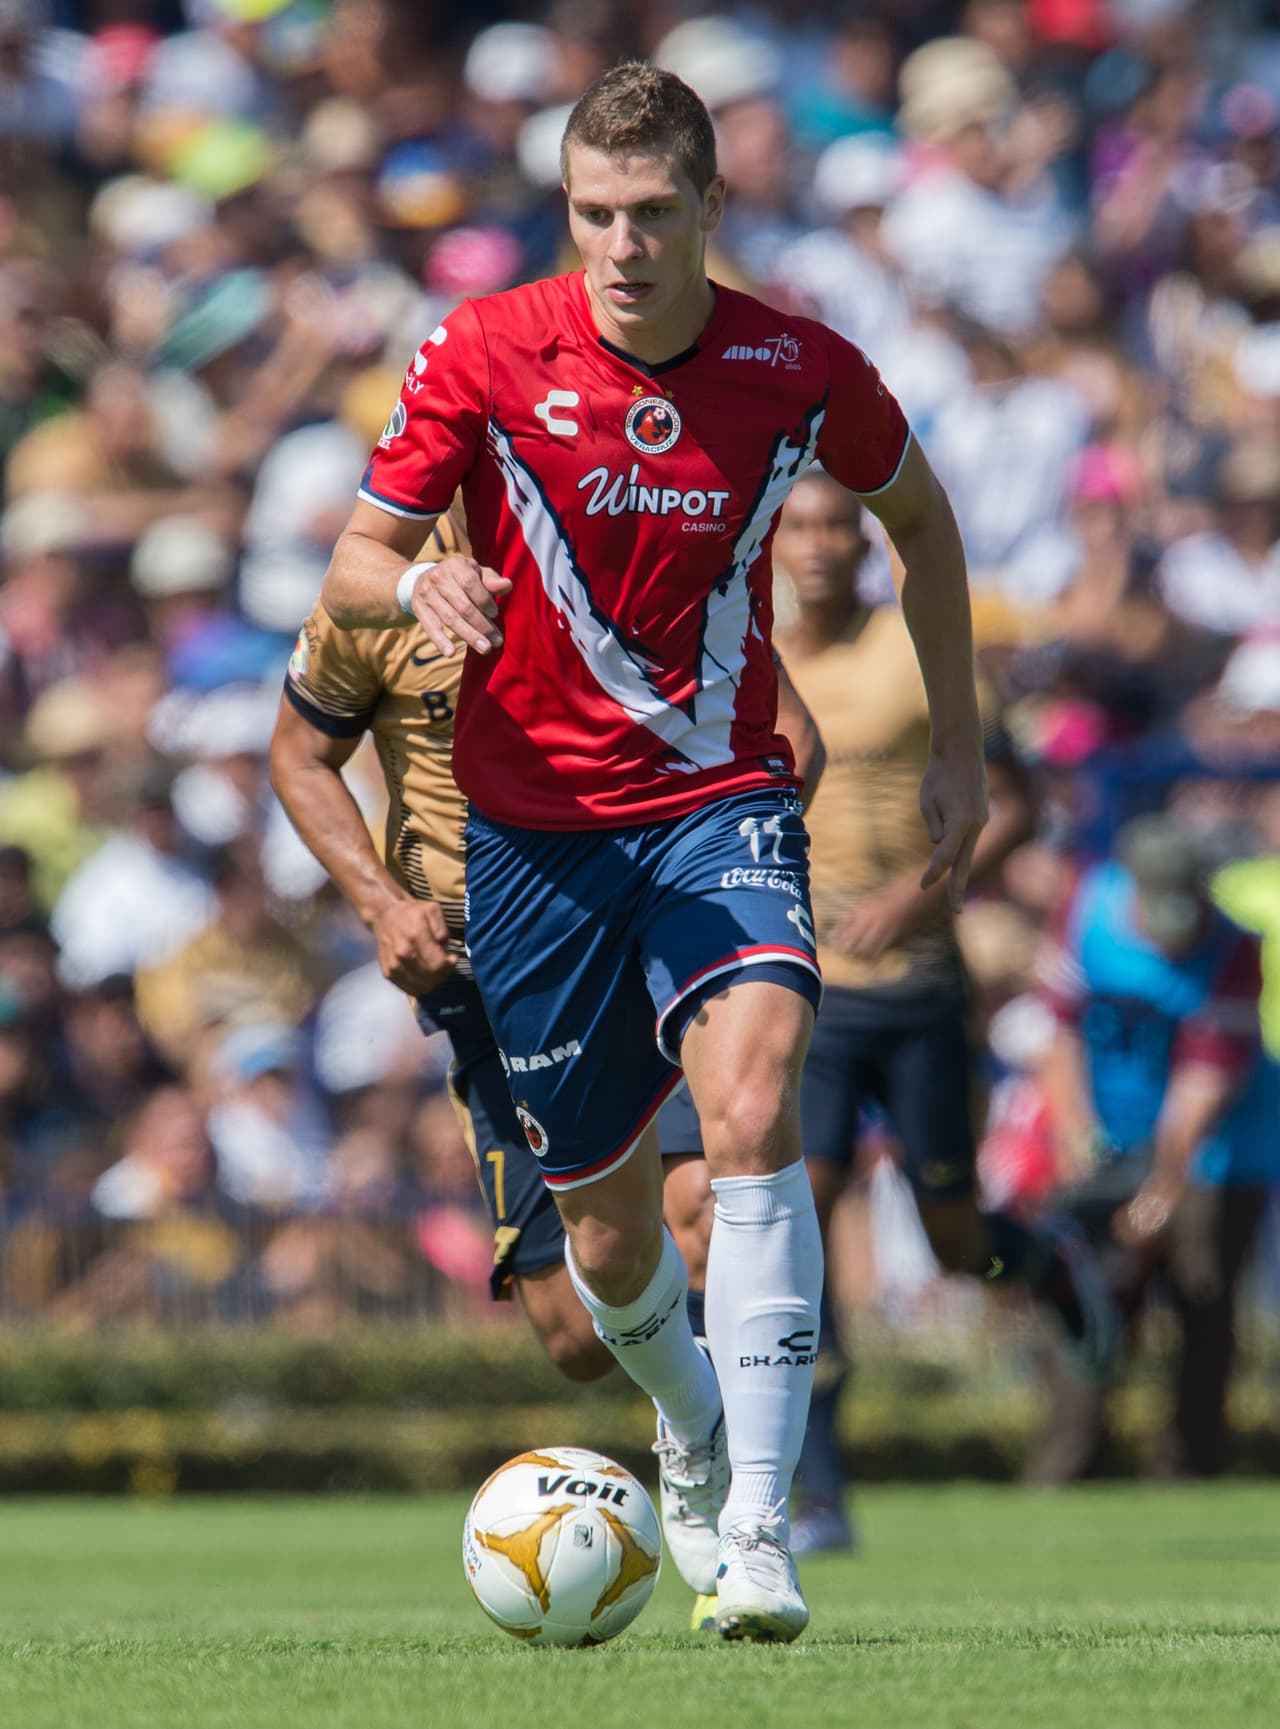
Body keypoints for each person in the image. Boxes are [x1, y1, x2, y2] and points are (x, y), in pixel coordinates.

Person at [321, 62, 987, 1643]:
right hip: (533, 842)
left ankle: (760, 1529)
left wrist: (959, 746)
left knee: (754, 1103)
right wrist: (414, 591)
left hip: (718, 802)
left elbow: (930, 527)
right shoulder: (484, 350)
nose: (621, 244)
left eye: (651, 213)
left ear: (711, 208)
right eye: (592, 213)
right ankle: (687, 1427)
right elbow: (357, 552)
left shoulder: (799, 366)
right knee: (612, 1246)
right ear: (570, 212)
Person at [271, 496, 823, 1629]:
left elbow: (791, 737)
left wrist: (709, 866)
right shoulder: (373, 596)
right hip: (481, 971)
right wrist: (379, 902)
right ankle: (693, 1405)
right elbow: (297, 755)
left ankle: (749, 1498)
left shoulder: (631, 569)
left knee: (712, 1201)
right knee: (578, 1321)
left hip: (642, 943)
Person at [773, 468, 1119, 1554]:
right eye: (804, 527)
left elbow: (1011, 803)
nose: (823, 544)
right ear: (772, 544)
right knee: (799, 1215)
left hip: (919, 982)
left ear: (865, 545)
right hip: (805, 985)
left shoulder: (919, 653)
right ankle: (816, 1489)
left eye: (841, 525)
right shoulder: (748, 657)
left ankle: (1047, 1259)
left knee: (953, 1235)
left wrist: (914, 893)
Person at [1030, 813, 1278, 1482]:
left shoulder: (1231, 948)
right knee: (1087, 1295)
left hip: (1219, 1150)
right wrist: (1075, 1135)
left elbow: (1205, 1086)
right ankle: (1066, 1467)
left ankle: (1188, 1468)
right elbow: (1060, 1034)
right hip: (1108, 1132)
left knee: (1203, 1300)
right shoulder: (1087, 911)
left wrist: (1164, 1187)